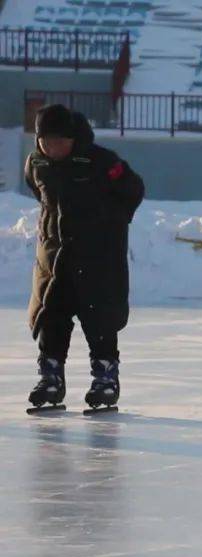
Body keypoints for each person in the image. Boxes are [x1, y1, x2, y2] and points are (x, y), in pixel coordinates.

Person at [24, 104, 145, 411]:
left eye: (59, 141)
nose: (52, 148)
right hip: (55, 258)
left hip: (97, 258)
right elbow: (39, 193)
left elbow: (133, 190)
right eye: (45, 141)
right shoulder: (37, 163)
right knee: (51, 317)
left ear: (73, 139)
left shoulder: (101, 162)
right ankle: (50, 379)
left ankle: (105, 380)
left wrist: (110, 223)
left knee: (99, 317)